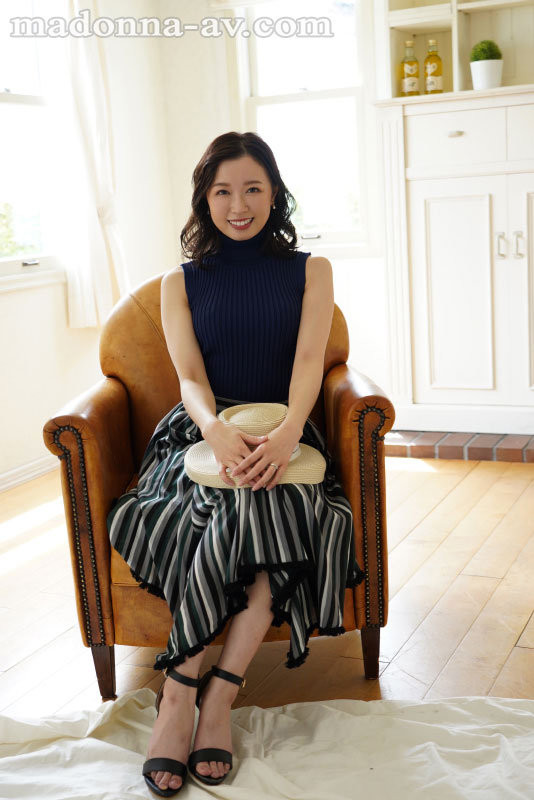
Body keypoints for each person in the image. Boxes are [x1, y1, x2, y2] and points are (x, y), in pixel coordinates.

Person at [106, 131, 365, 795]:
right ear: (205, 198)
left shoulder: (312, 270)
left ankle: (208, 697)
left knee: (280, 506)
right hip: (201, 431)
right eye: (223, 191)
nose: (239, 205)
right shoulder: (179, 282)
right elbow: (190, 377)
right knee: (223, 511)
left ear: (274, 193)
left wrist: (286, 435)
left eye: (253, 188)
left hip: (284, 426)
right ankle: (182, 699)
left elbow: (308, 362)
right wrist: (216, 430)